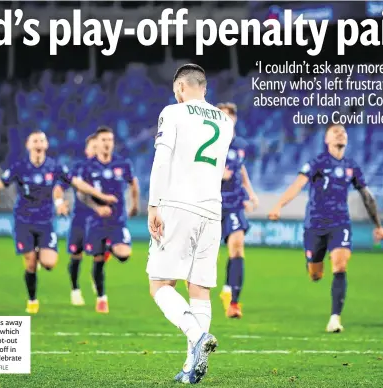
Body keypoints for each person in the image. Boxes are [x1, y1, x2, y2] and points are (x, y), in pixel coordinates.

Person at [146, 64, 233, 384]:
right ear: (204, 88)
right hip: (213, 211)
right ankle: (189, 368)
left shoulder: (173, 112)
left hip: (179, 206)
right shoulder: (226, 121)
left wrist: (153, 203)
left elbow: (163, 158)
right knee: (199, 288)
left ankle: (197, 336)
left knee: (159, 284)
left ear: (181, 88)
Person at [268, 123, 383, 332]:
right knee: (315, 274)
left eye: (343, 132)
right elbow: (297, 185)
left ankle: (335, 318)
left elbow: (367, 196)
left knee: (340, 266)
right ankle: (312, 264)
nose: (340, 134)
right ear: (327, 140)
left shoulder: (353, 166)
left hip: (340, 222)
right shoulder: (318, 162)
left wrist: (378, 225)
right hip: (315, 223)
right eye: (335, 132)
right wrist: (279, 205)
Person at [0, 130, 116, 314]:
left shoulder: (55, 166)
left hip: (46, 221)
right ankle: (33, 300)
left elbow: (76, 184)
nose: (39, 143)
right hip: (24, 220)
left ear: (46, 145)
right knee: (31, 263)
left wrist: (101, 196)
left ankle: (43, 256)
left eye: (42, 140)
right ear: (28, 145)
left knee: (49, 263)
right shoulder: (20, 167)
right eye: (35, 140)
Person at [78, 126, 139, 314]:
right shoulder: (88, 167)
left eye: (110, 140)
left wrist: (134, 205)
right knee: (97, 259)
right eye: (103, 140)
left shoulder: (122, 164)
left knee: (124, 254)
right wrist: (97, 207)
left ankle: (110, 248)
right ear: (97, 144)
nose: (107, 144)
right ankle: (101, 298)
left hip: (117, 220)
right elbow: (81, 194)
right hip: (96, 221)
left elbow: (133, 183)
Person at [216, 102, 259, 319]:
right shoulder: (206, 142)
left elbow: (240, 168)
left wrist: (250, 193)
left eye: (230, 117)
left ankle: (234, 302)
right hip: (209, 203)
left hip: (233, 202)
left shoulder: (240, 145)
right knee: (201, 251)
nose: (227, 120)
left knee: (237, 246)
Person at [66, 134, 97, 306]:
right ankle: (75, 289)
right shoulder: (79, 167)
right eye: (92, 146)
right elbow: (63, 185)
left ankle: (95, 277)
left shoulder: (108, 166)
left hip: (99, 219)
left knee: (99, 253)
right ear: (86, 149)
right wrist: (59, 201)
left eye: (97, 146)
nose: (95, 150)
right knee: (76, 254)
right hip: (80, 216)